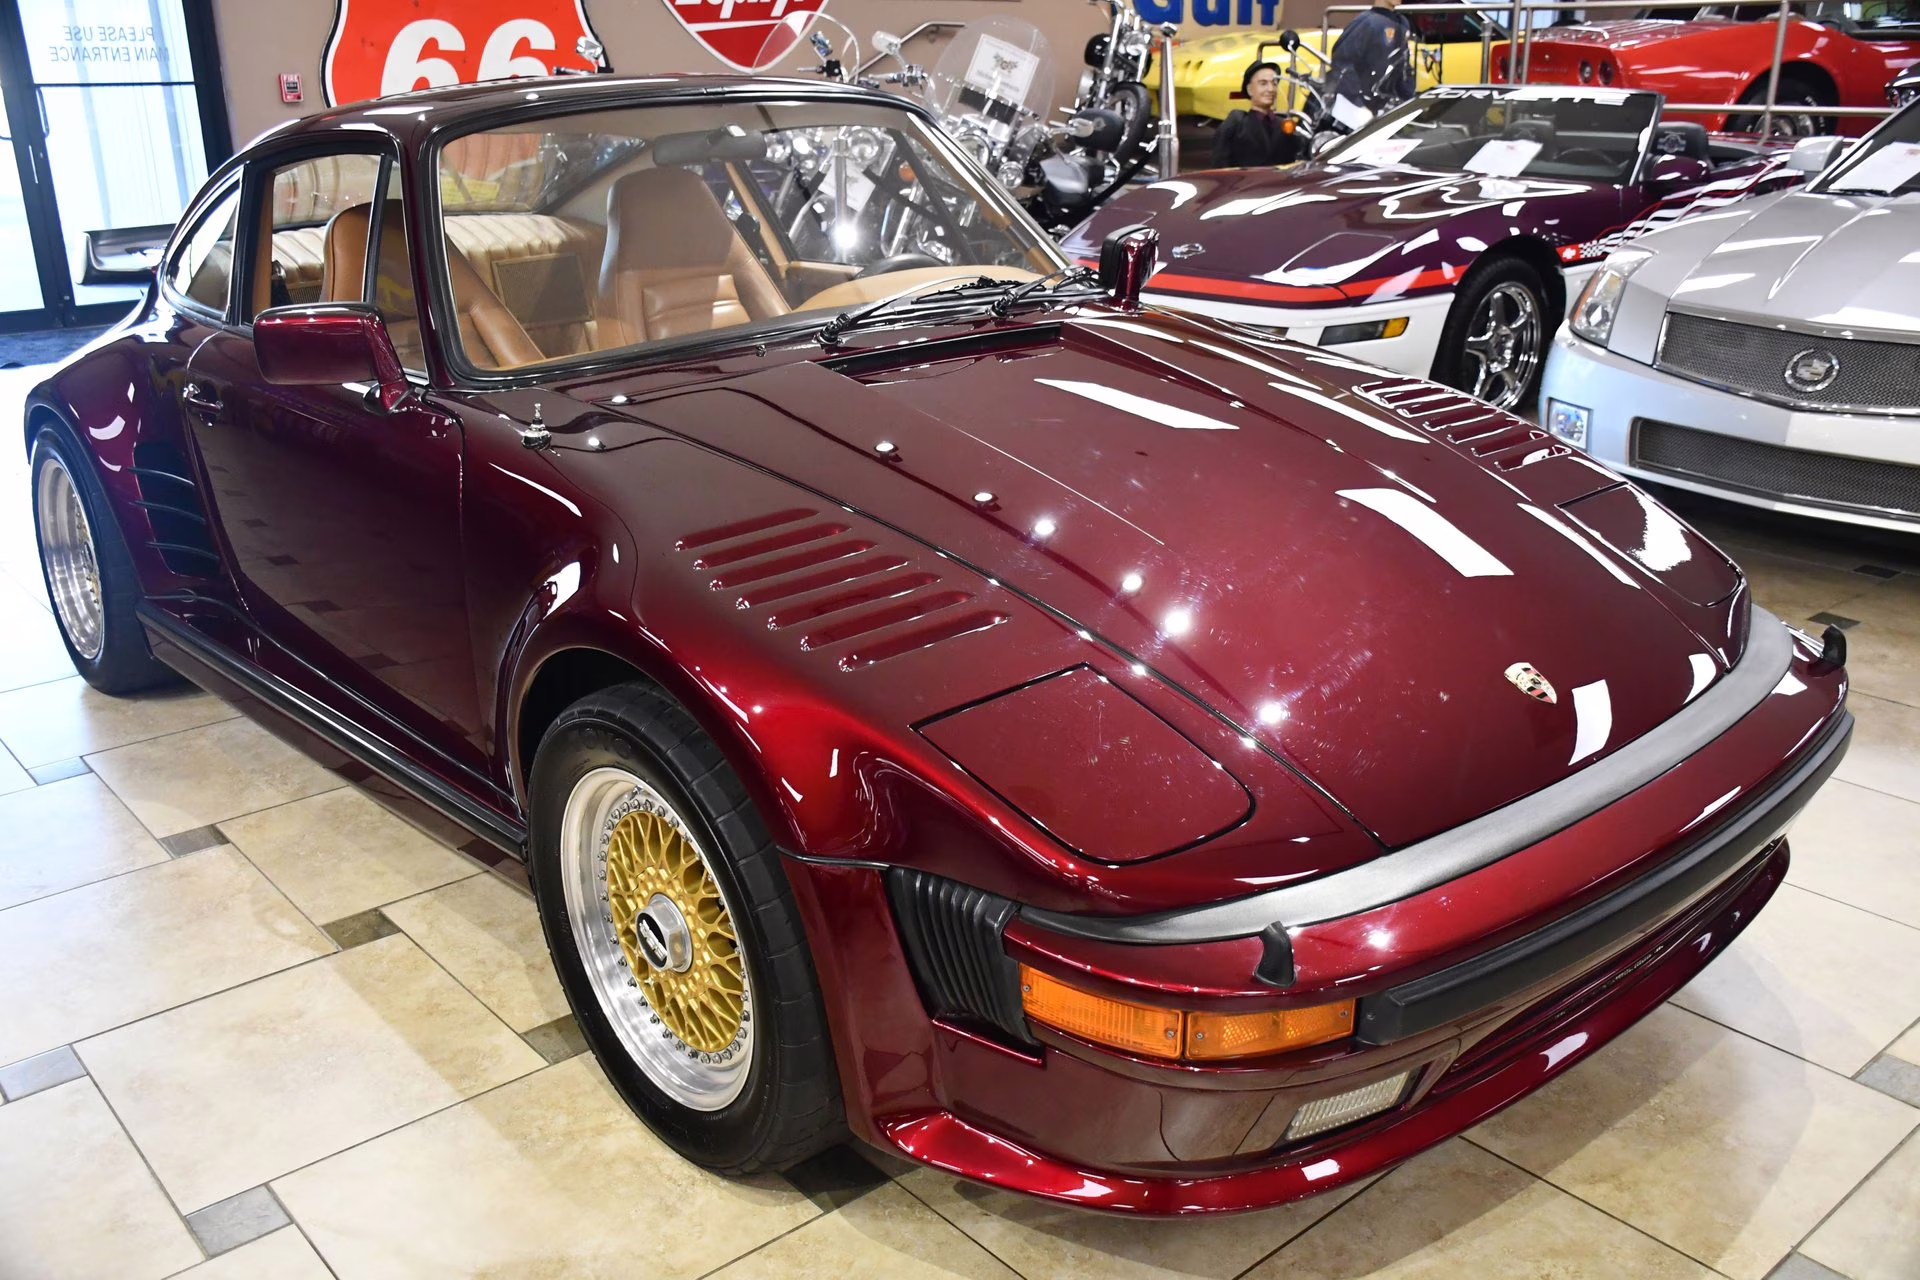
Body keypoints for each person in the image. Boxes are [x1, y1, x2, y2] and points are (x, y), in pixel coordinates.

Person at [1326, 0, 1417, 113]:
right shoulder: (1366, 22)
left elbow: (1403, 66)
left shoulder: (1402, 23)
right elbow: (1342, 63)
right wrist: (1357, 103)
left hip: (1386, 108)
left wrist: (1410, 100)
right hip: (1358, 107)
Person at [1213, 61, 1304, 168]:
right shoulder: (1237, 122)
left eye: (1274, 84)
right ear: (1250, 89)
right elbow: (1220, 164)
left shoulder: (1284, 125)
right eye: (1263, 83)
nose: (1270, 89)